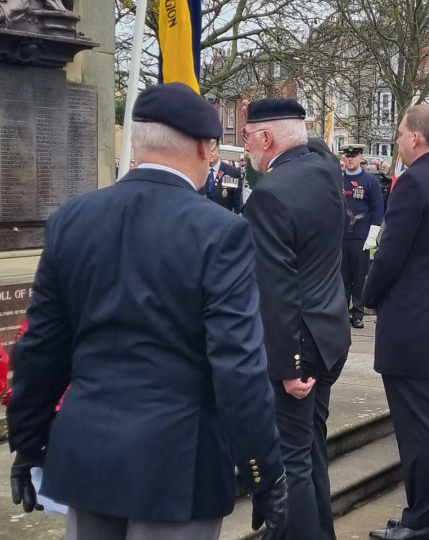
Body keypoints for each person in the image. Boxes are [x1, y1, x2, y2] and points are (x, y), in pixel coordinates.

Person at [6, 83, 287, 540]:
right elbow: (237, 365)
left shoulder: (71, 219)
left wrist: (29, 441)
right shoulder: (221, 232)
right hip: (178, 463)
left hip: (88, 452)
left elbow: (40, 346)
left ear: (136, 142)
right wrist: (265, 470)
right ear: (203, 146)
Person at [243, 97, 352, 540]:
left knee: (292, 465)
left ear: (266, 137)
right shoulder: (326, 168)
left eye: (249, 136)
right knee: (310, 451)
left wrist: (288, 366)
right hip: (328, 334)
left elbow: (277, 289)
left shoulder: (270, 193)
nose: (247, 145)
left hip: (299, 349)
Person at [363, 104, 429, 540]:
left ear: (415, 138)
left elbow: (390, 253)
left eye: (399, 133)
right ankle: (426, 514)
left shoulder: (415, 182)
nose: (396, 141)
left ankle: (425, 520)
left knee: (418, 429)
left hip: (410, 321)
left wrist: (367, 295)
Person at [338, 144, 384, 329]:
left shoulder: (369, 181)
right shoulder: (337, 181)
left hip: (361, 237)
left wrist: (372, 235)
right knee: (341, 277)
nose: (350, 159)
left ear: (360, 159)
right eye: (347, 156)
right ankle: (341, 313)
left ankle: (357, 313)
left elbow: (378, 209)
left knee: (358, 278)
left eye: (354, 156)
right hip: (340, 236)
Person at [203, 139, 244, 213]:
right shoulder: (199, 171)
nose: (210, 153)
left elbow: (236, 200)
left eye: (213, 150)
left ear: (219, 153)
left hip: (223, 218)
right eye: (208, 150)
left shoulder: (232, 173)